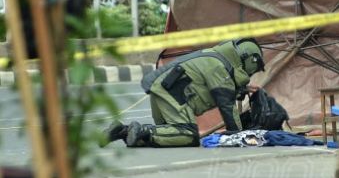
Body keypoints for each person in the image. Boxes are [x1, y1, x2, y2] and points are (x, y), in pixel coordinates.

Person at [100, 39, 265, 148]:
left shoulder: (215, 59)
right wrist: (239, 137)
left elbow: (214, 89)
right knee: (188, 134)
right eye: (255, 68)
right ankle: (143, 130)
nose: (253, 73)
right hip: (173, 92)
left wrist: (242, 90)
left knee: (168, 136)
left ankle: (122, 130)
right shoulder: (218, 67)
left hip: (165, 89)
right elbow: (226, 105)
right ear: (250, 60)